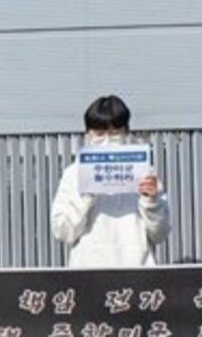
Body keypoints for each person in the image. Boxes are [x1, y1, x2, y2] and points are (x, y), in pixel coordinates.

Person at [51, 95, 171, 267]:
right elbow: (63, 232)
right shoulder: (73, 173)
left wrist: (150, 201)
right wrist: (85, 196)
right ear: (87, 134)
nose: (106, 139)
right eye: (99, 133)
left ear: (126, 132)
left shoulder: (143, 172)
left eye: (115, 133)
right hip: (89, 274)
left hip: (137, 272)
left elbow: (160, 234)